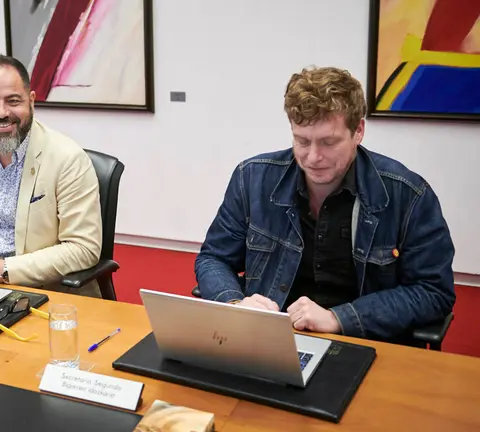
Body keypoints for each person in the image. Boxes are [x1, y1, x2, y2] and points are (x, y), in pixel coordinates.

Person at [194, 66, 455, 342]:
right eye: (302, 141)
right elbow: (213, 258)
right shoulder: (252, 179)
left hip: (362, 342)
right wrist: (235, 304)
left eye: (329, 142)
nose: (313, 157)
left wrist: (339, 318)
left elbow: (432, 291)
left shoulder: (408, 195)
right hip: (269, 339)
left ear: (358, 131)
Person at [0, 53, 102, 297]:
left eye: (13, 101)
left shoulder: (68, 159)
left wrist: (4, 270)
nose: (1, 113)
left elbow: (83, 247)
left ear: (31, 101)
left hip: (43, 294)